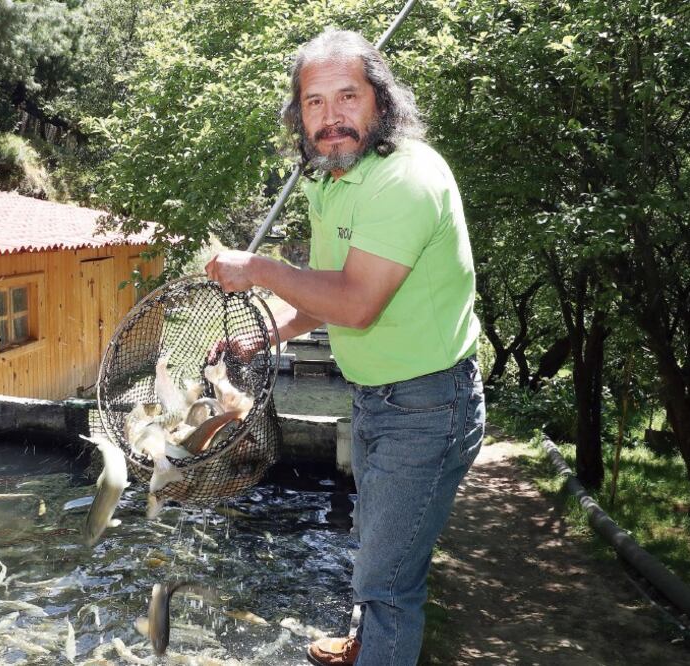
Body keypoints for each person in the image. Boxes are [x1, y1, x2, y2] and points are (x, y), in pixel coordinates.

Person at [205, 28, 486, 666]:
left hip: (427, 405)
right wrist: (266, 331)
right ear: (297, 115)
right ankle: (369, 645)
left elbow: (359, 302)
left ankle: (380, 643)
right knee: (376, 544)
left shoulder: (405, 180)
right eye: (314, 102)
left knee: (389, 582)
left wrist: (259, 268)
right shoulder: (332, 178)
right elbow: (327, 291)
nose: (331, 118)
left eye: (347, 97)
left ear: (380, 104)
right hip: (375, 398)